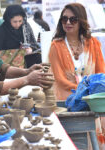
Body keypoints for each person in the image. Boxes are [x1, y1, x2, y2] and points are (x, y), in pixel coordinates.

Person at [48, 3, 105, 149]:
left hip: (92, 100)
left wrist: (90, 93)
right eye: (64, 19)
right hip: (69, 101)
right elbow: (59, 79)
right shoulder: (56, 46)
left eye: (73, 19)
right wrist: (82, 91)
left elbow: (101, 74)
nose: (67, 23)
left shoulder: (94, 44)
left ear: (81, 21)